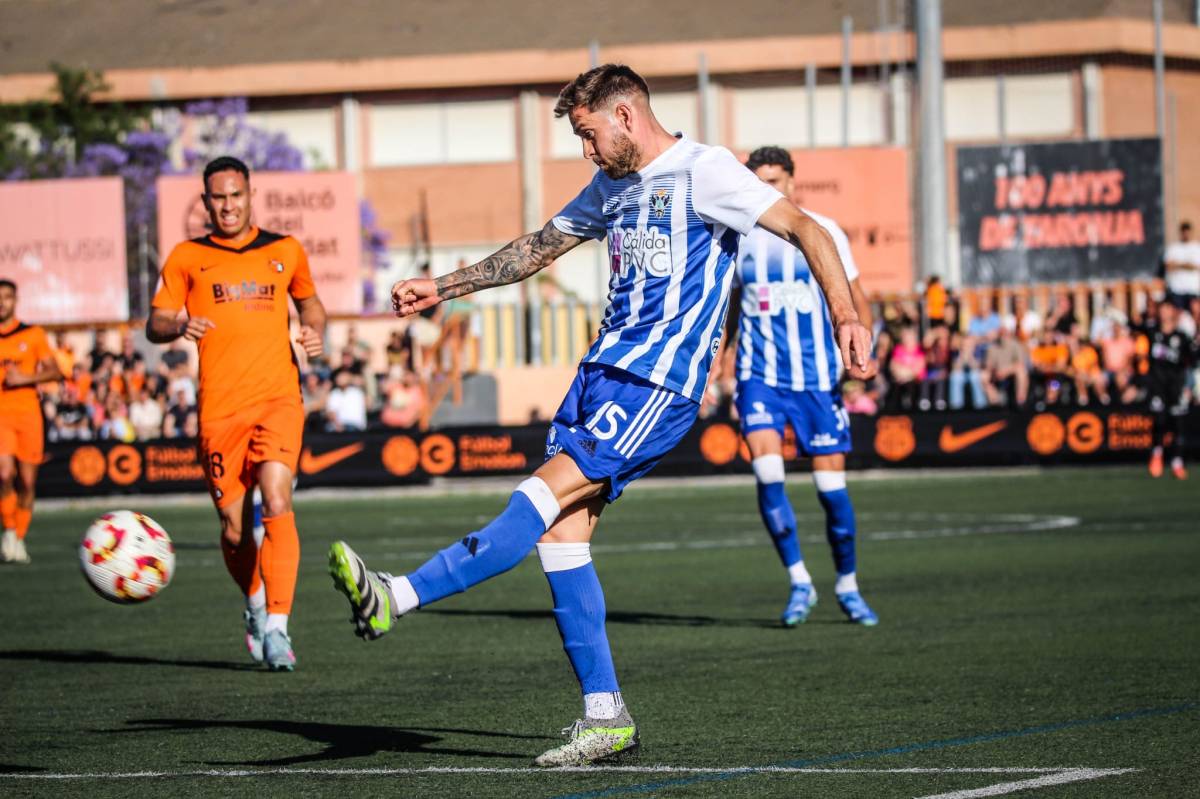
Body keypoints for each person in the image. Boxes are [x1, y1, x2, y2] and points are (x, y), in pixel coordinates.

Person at [326, 64, 873, 766]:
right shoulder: (611, 185)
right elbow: (537, 248)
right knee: (560, 534)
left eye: (587, 134)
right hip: (597, 376)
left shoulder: (706, 171)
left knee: (535, 498)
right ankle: (605, 714)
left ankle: (394, 596)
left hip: (657, 386)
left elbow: (805, 228)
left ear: (624, 116)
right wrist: (443, 286)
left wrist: (847, 314)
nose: (584, 150)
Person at [146, 156, 326, 671]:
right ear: (206, 202)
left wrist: (314, 331)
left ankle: (278, 628)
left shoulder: (284, 250)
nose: (227, 206)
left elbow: (311, 305)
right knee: (232, 528)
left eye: (235, 195)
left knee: (276, 497)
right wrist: (178, 324)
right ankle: (253, 604)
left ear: (251, 194)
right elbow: (154, 322)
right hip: (219, 409)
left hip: (278, 398)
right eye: (217, 198)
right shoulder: (187, 256)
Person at [721, 145, 878, 627]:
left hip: (816, 381)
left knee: (831, 489)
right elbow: (728, 307)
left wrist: (861, 358)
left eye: (776, 181)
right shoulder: (738, 237)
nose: (768, 189)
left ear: (792, 182)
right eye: (759, 181)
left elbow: (858, 300)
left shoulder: (823, 231)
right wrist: (719, 365)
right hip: (759, 377)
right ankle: (799, 581)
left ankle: (848, 585)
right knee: (768, 476)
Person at [0, 280, 63, 564]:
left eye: (7, 297)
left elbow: (55, 372)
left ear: (16, 300)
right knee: (3, 474)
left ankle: (19, 537)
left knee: (26, 481)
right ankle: (9, 531)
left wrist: (24, 378)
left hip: (28, 416)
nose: (2, 302)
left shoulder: (33, 334)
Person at [1142, 302, 1194, 479]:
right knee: (1159, 421)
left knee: (1178, 424)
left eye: (1167, 310)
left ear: (1173, 312)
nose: (1164, 314)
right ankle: (1156, 456)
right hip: (1157, 385)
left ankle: (1177, 463)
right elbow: (1133, 325)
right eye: (1161, 310)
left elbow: (1192, 362)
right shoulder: (1153, 332)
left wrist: (1188, 386)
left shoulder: (1182, 337)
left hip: (1176, 386)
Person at [1164, 221, 1200, 310]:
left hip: (1192, 289)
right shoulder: (1173, 247)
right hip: (1177, 289)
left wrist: (1178, 264)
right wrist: (1186, 265)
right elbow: (1168, 266)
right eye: (1184, 232)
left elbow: (1195, 266)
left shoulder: (1196, 247)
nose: (1186, 234)